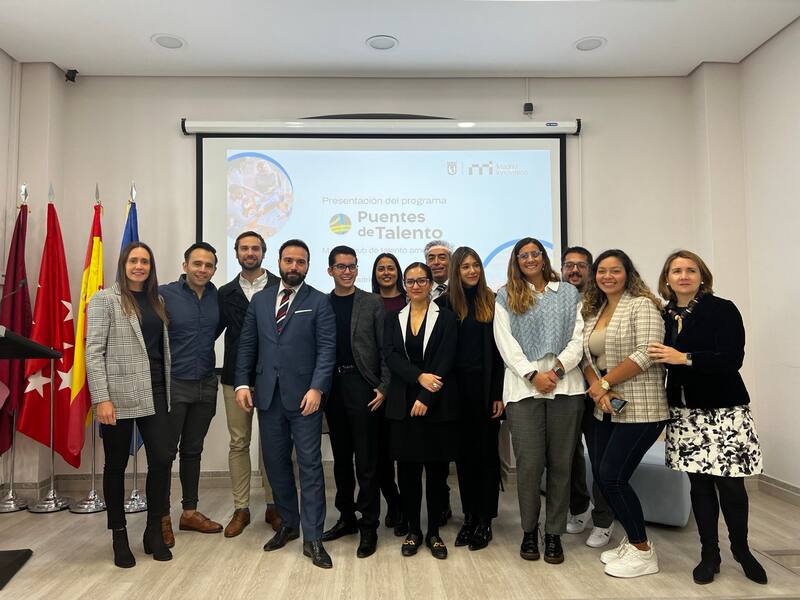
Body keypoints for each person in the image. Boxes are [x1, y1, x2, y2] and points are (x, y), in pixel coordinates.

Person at [648, 250, 766, 585]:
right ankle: (709, 554)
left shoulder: (722, 309)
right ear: (667, 279)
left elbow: (731, 359)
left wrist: (683, 357)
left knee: (731, 487)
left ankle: (741, 550)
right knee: (699, 487)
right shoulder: (665, 315)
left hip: (724, 410)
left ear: (702, 276)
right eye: (676, 271)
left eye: (691, 270)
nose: (683, 276)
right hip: (685, 413)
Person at [235, 239, 336, 569]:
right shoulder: (261, 301)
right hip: (268, 397)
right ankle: (289, 525)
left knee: (309, 467)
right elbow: (247, 345)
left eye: (301, 262)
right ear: (279, 262)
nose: (294, 266)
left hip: (306, 398)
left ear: (308, 266)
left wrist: (318, 388)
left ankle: (314, 537)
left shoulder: (319, 302)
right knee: (275, 464)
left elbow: (326, 351)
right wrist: (241, 382)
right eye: (289, 260)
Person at [494, 238, 585, 564]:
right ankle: (530, 532)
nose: (530, 259)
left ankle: (554, 535)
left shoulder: (568, 294)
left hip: (566, 388)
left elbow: (580, 338)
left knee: (561, 466)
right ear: (516, 261)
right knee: (530, 467)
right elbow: (505, 344)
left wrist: (557, 370)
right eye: (524, 255)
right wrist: (534, 375)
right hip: (523, 391)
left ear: (544, 258)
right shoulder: (505, 296)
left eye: (536, 254)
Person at [581, 249, 668, 578]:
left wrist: (604, 382)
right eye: (601, 271)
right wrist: (597, 387)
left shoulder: (642, 305)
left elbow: (648, 351)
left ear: (627, 273)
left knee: (613, 476)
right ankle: (633, 543)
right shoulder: (595, 309)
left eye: (614, 270)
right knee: (605, 477)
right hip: (605, 407)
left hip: (642, 407)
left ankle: (643, 550)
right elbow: (584, 357)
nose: (607, 276)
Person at [86, 242, 173, 567]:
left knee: (163, 460)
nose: (139, 266)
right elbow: (93, 353)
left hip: (156, 392)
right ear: (124, 264)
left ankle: (153, 530)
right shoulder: (104, 300)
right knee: (116, 465)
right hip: (118, 397)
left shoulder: (157, 300)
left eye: (145, 262)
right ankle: (119, 536)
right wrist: (102, 399)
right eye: (134, 260)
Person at [320, 246, 391, 558]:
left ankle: (369, 525)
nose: (346, 272)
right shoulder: (321, 304)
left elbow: (386, 349)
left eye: (351, 266)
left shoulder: (372, 303)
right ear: (330, 270)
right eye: (340, 266)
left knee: (367, 462)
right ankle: (346, 518)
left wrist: (384, 387)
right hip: (332, 388)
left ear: (356, 269)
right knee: (341, 460)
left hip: (363, 387)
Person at [383, 262, 458, 559]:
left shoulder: (447, 318)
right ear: (404, 284)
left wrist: (426, 395)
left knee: (437, 473)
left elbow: (446, 358)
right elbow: (390, 355)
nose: (416, 286)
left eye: (421, 281)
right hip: (403, 406)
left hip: (436, 405)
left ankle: (434, 534)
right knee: (409, 473)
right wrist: (417, 377)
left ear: (430, 284)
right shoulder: (393, 319)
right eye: (410, 281)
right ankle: (414, 530)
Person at [435, 247, 504, 551]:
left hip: (485, 391)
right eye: (465, 267)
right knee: (463, 459)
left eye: (476, 265)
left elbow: (501, 355)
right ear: (455, 271)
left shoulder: (493, 301)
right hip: (453, 394)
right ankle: (469, 517)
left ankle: (485, 521)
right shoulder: (443, 305)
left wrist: (498, 394)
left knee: (486, 458)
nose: (472, 271)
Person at [218, 231, 281, 538]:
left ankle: (274, 505)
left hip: (272, 376)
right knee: (239, 442)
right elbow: (209, 332)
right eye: (244, 248)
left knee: (272, 442)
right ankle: (241, 508)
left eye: (255, 248)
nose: (250, 252)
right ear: (237, 252)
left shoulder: (281, 286)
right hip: (234, 378)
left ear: (264, 252)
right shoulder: (225, 292)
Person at [159, 242, 224, 541]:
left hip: (206, 382)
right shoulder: (164, 295)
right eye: (197, 263)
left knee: (193, 450)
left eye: (208, 265)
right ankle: (160, 517)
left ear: (214, 269)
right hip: (174, 384)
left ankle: (189, 512)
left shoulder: (216, 297)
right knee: (165, 452)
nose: (202, 269)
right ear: (185, 265)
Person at [561, 246, 616, 548]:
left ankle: (604, 519)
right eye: (569, 265)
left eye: (581, 265)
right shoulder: (557, 300)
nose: (574, 271)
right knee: (568, 456)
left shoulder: (604, 303)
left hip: (600, 391)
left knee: (600, 456)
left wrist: (601, 383)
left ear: (591, 270)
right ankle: (579, 508)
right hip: (567, 390)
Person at [370, 252, 406, 534]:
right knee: (380, 454)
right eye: (381, 268)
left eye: (391, 268)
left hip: (405, 386)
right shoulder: (367, 302)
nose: (386, 272)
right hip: (377, 387)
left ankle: (407, 508)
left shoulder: (411, 300)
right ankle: (393, 503)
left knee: (404, 452)